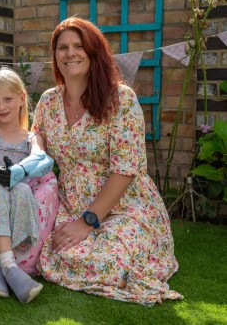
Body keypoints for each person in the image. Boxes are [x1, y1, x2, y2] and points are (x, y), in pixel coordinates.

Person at [31, 16, 182, 306]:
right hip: (70, 201)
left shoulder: (121, 99)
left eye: (79, 46)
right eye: (62, 47)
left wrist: (88, 222)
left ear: (94, 52)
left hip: (123, 205)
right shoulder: (48, 101)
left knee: (107, 261)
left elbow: (126, 172)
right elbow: (35, 139)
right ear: (55, 55)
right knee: (57, 251)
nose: (70, 53)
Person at [0, 67, 54, 304]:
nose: (2, 107)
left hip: (16, 189)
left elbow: (40, 157)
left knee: (23, 189)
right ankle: (11, 268)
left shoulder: (32, 137)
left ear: (22, 98)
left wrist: (17, 173)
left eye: (8, 99)